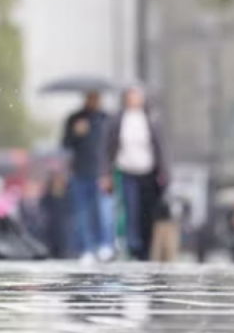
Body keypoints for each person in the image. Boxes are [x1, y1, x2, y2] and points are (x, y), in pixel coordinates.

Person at [101, 86, 170, 261]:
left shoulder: (150, 119)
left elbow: (161, 147)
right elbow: (108, 149)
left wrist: (165, 172)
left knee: (147, 211)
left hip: (148, 172)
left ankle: (146, 247)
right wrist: (105, 174)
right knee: (130, 209)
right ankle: (134, 245)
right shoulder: (117, 120)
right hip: (127, 171)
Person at [62, 92, 114, 262]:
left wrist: (108, 173)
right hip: (80, 172)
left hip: (101, 173)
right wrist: (76, 132)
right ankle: (86, 248)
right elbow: (65, 143)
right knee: (81, 213)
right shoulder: (75, 118)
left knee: (104, 212)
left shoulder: (106, 119)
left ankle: (105, 245)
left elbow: (112, 148)